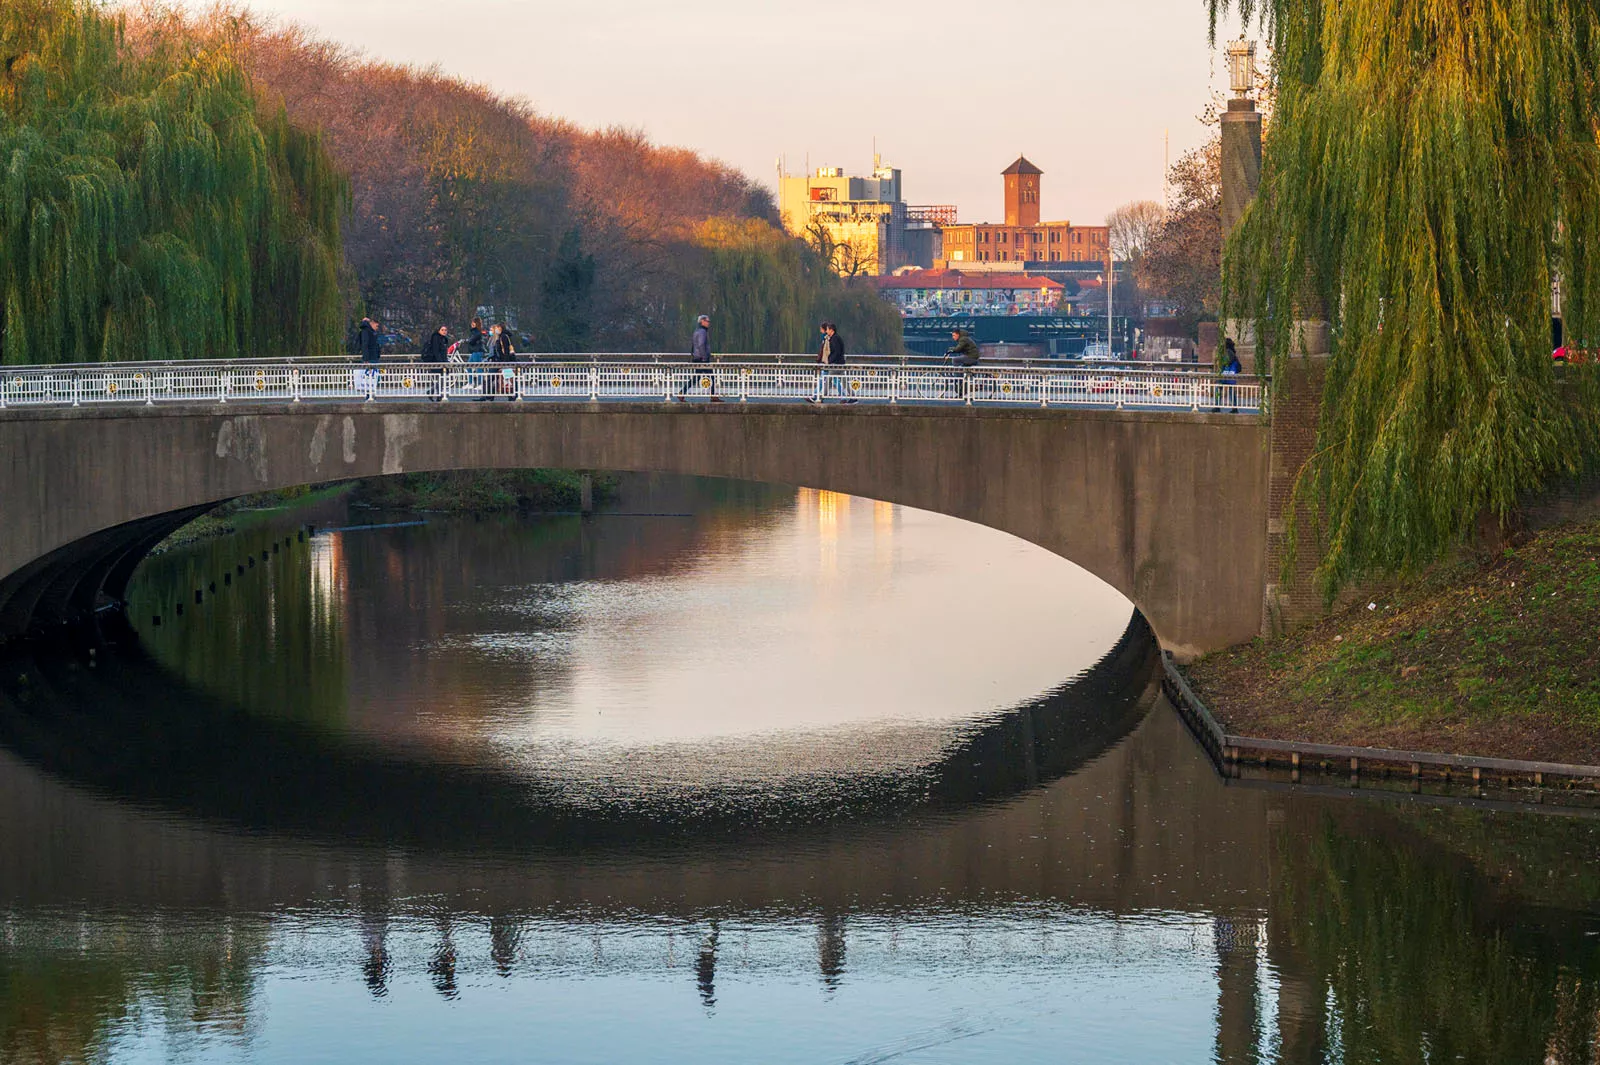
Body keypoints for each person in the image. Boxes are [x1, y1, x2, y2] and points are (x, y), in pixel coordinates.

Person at [676, 313, 720, 401]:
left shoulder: (696, 331)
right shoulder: (702, 332)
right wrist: (704, 358)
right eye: (707, 321)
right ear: (702, 321)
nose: (708, 323)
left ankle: (681, 393)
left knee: (696, 377)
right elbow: (701, 345)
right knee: (711, 377)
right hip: (702, 359)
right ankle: (713, 396)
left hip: (697, 358)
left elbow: (694, 345)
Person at [811, 321, 854, 404]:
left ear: (831, 330)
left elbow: (836, 352)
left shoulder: (834, 339)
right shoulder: (835, 338)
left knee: (828, 380)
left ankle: (819, 397)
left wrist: (829, 360)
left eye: (827, 330)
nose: (826, 331)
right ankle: (853, 397)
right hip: (839, 364)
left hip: (836, 364)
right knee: (843, 382)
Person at [419, 325, 451, 400]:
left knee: (442, 378)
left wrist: (445, 361)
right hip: (436, 361)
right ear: (438, 331)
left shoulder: (444, 339)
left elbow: (444, 352)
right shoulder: (436, 338)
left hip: (443, 361)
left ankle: (432, 391)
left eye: (445, 330)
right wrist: (441, 362)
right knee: (440, 377)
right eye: (442, 330)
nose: (444, 331)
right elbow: (436, 351)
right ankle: (438, 395)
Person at [356, 316, 383, 399]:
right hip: (370, 358)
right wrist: (366, 359)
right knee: (370, 377)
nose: (377, 328)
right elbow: (365, 345)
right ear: (372, 323)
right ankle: (369, 395)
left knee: (374, 377)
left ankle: (370, 394)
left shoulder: (370, 331)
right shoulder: (366, 331)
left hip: (373, 357)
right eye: (376, 326)